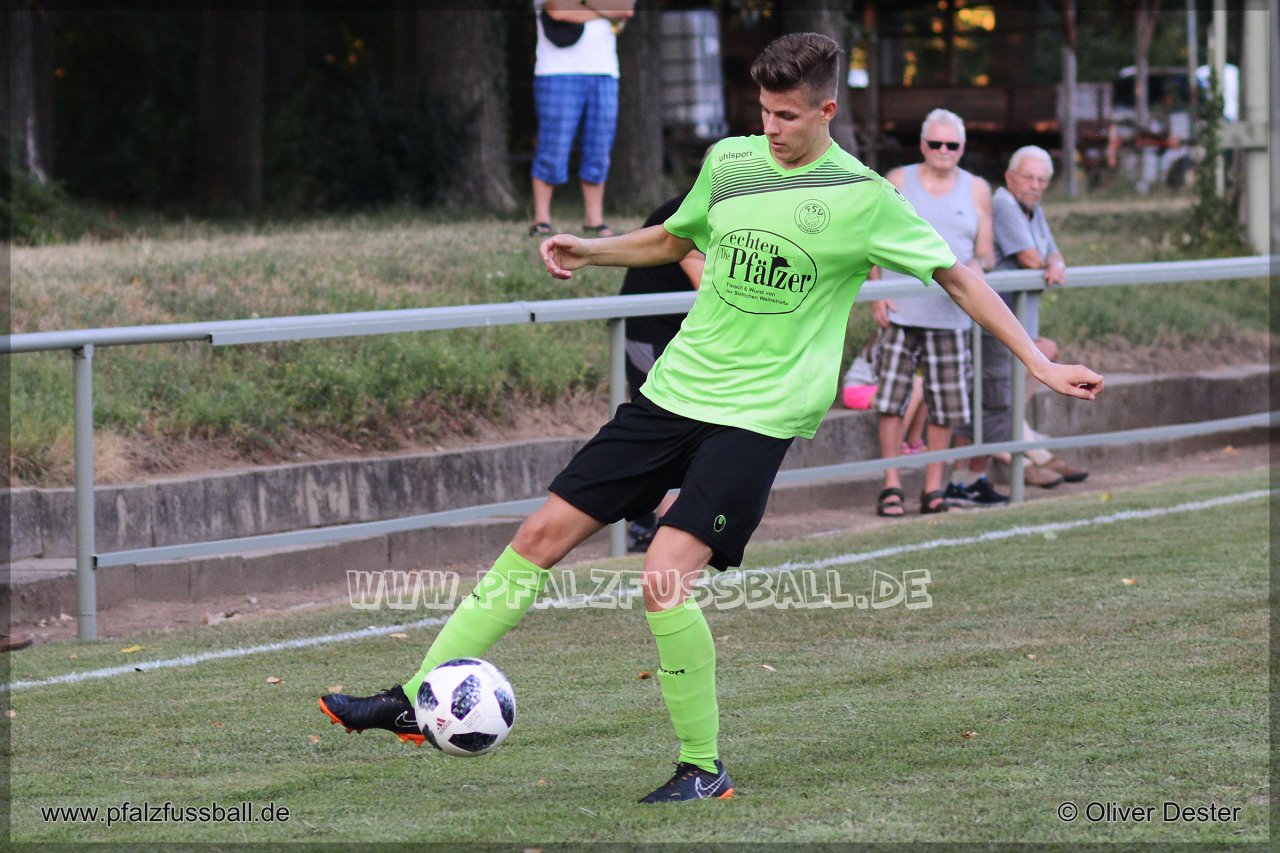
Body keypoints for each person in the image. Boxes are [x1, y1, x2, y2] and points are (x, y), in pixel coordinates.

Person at [319, 33, 1103, 804]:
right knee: (538, 536)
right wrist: (592, 250)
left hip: (758, 415)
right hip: (676, 391)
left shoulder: (864, 196)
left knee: (663, 576)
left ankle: (702, 766)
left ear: (826, 110)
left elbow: (958, 277)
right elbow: (673, 238)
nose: (771, 126)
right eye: (763, 110)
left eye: (787, 115)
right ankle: (414, 698)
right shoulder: (731, 162)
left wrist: (1036, 362)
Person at [869, 109, 996, 517]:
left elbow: (986, 252)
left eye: (951, 144)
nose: (943, 150)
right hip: (901, 310)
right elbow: (872, 238)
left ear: (962, 148)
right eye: (935, 143)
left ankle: (933, 488)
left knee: (946, 405)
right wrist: (876, 292)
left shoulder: (976, 189)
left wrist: (977, 267)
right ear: (923, 145)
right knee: (891, 401)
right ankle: (891, 485)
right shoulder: (898, 180)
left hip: (951, 313)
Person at [948, 145, 1087, 499]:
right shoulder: (1005, 204)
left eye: (1042, 180)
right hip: (995, 323)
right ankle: (978, 477)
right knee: (991, 401)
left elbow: (1052, 253)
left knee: (1015, 385)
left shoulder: (1031, 209)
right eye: (1028, 177)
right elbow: (1031, 258)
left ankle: (1016, 459)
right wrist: (1050, 263)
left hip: (1014, 324)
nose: (1035, 185)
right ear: (1010, 178)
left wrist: (1055, 262)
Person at [620, 191, 705, 551]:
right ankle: (655, 527)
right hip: (650, 331)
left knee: (680, 428)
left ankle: (652, 525)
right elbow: (713, 288)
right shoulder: (695, 210)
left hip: (683, 334)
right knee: (661, 424)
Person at [527, 0, 636, 238]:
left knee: (599, 147)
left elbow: (625, 8)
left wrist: (582, 5)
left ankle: (594, 220)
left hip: (604, 72)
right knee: (552, 146)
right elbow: (557, 10)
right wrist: (605, 11)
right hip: (556, 71)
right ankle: (542, 219)